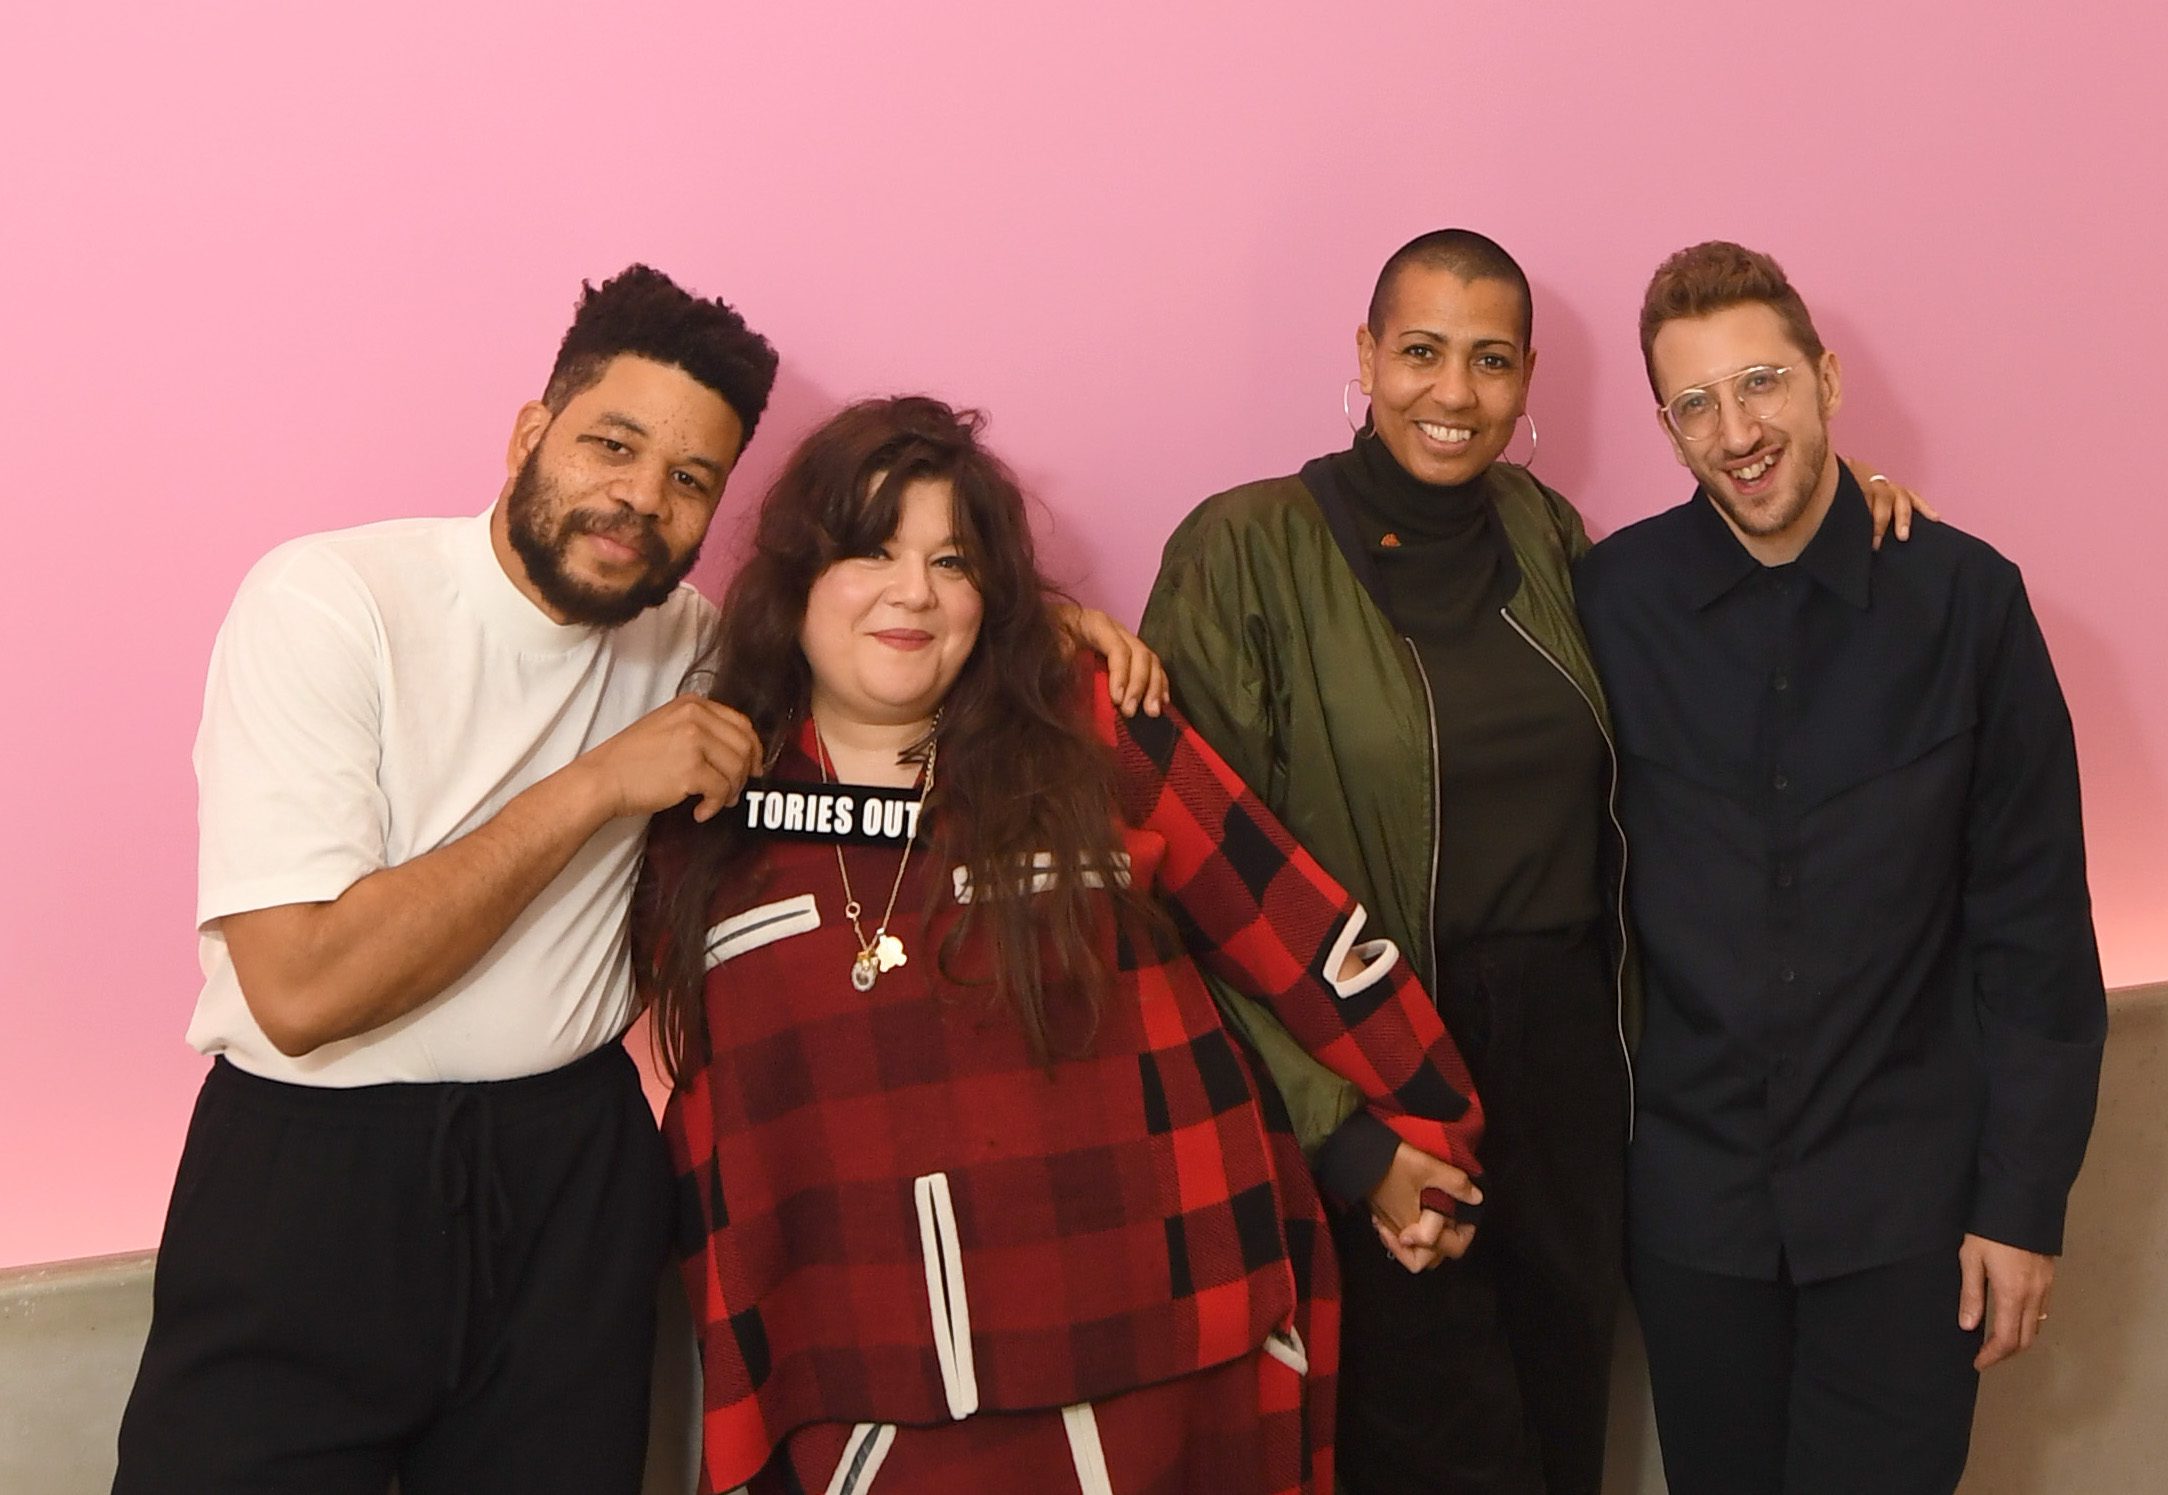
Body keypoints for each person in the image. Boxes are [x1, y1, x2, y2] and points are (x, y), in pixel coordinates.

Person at [114, 268, 1162, 1495]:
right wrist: (600, 783)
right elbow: (296, 987)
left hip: (570, 1167)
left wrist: (1045, 637)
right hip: (312, 1172)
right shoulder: (333, 601)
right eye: (612, 444)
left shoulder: (698, 646)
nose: (638, 499)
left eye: (688, 480)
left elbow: (881, 655)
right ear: (529, 433)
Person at [1140, 229, 1923, 1495]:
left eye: (1489, 361)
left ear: (1525, 381)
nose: (1453, 393)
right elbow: (1185, 883)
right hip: (1383, 1073)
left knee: (1563, 1436)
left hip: (1572, 1079)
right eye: (1421, 352)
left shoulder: (1548, 538)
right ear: (1364, 357)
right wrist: (1343, 1139)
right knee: (1429, 1448)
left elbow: (1719, 575)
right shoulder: (1243, 552)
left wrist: (1853, 499)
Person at [635, 395, 1488, 1495]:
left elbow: (1285, 920)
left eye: (951, 560)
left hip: (1165, 1341)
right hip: (874, 1388)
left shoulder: (1085, 732)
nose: (912, 592)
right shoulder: (703, 817)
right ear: (794, 575)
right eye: (870, 551)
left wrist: (1427, 1113)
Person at [1575, 240, 2107, 1495]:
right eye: (1693, 403)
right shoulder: (1605, 599)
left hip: (1908, 1216)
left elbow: (2033, 934)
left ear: (1824, 379)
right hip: (1694, 1216)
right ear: (1664, 426)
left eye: (1760, 382)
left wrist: (2021, 1204)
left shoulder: (1966, 603)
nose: (1736, 429)